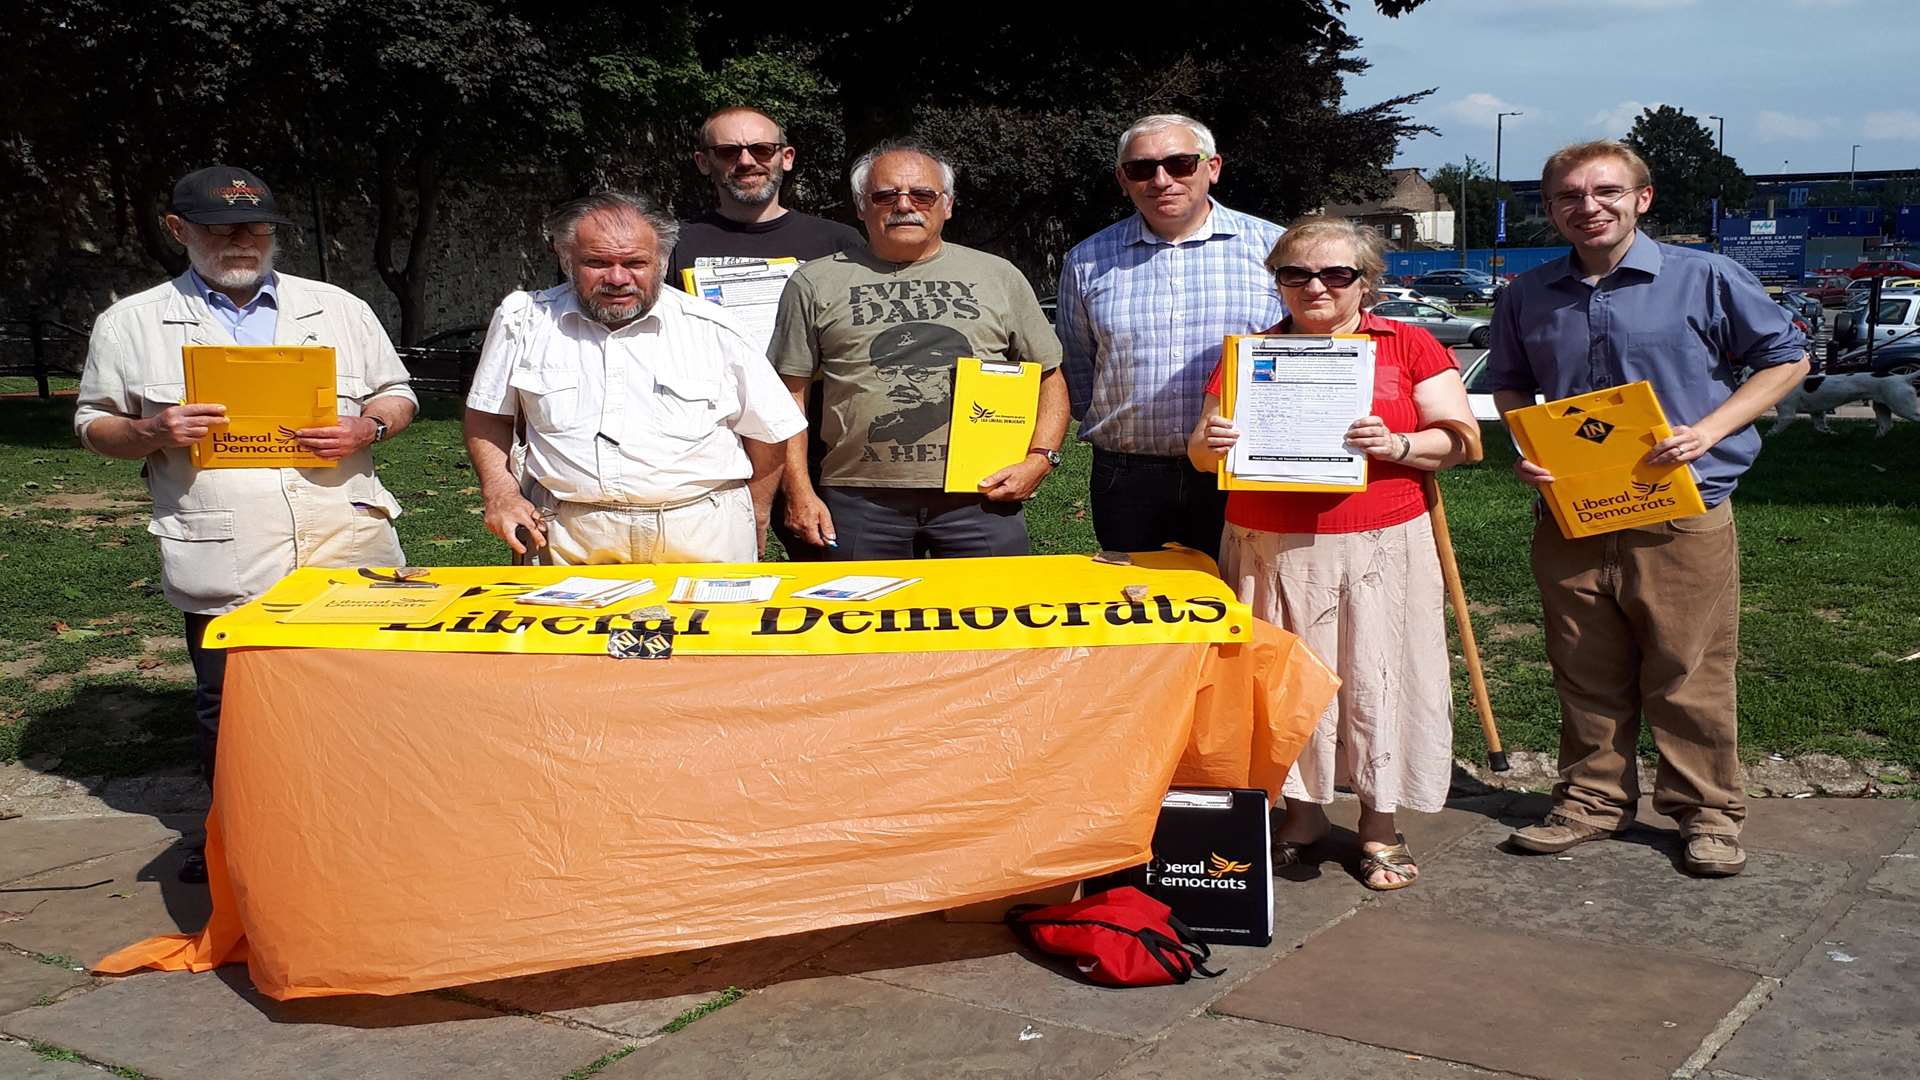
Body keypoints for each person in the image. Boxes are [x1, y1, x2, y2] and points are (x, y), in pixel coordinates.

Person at [73, 165, 417, 882]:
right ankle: (239, 836)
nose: (241, 241)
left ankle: (370, 822)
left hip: (341, 530)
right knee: (231, 701)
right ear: (178, 230)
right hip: (226, 544)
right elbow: (93, 423)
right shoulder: (131, 323)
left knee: (362, 685)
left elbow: (396, 393)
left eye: (256, 227)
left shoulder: (338, 307)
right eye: (221, 227)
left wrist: (368, 429)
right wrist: (152, 431)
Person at [1486, 140, 1808, 878]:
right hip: (1572, 513)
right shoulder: (1526, 294)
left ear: (1642, 198)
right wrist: (1526, 440)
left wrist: (1711, 430)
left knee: (1687, 667)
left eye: (1605, 191)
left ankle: (1707, 814)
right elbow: (1508, 381)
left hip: (1682, 510)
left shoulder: (1707, 278)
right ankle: (1592, 800)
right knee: (1583, 665)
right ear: (1551, 208)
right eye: (1569, 196)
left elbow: (1787, 357)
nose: (1588, 206)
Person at [1188, 217, 1479, 890]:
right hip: (1268, 547)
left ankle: (1380, 825)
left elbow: (1462, 439)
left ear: (1367, 283)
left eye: (1335, 274)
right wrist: (1217, 441)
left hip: (1377, 542)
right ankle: (1304, 816)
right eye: (1296, 274)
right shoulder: (1249, 352)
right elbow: (1199, 451)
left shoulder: (1408, 343)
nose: (1315, 285)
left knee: (1377, 677)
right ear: (1279, 283)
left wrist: (1398, 445)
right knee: (1287, 686)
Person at [464, 191, 805, 565]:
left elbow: (769, 431)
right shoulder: (523, 320)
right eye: (596, 262)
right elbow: (488, 416)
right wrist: (500, 492)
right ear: (566, 259)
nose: (617, 278)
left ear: (661, 261)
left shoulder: (715, 328)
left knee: (712, 626)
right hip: (566, 536)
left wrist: (754, 513)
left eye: (635, 263)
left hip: (703, 536)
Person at [769, 142, 1068, 559]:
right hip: (859, 499)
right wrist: (799, 490)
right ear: (861, 207)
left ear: (946, 205)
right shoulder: (814, 282)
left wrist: (1040, 459)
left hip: (980, 495)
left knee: (990, 617)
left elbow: (1048, 376)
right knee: (861, 620)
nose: (904, 206)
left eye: (922, 195)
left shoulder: (998, 276)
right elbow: (789, 395)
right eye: (885, 195)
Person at [1059, 114, 1286, 562]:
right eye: (1142, 169)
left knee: (1244, 599)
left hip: (1239, 468)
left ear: (1212, 167)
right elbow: (1078, 365)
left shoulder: (1274, 250)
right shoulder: (1087, 261)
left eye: (1180, 164)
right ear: (1123, 179)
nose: (1161, 180)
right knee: (1136, 609)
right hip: (1127, 476)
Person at [666, 105, 862, 560]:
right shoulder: (675, 243)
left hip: (820, 444)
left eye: (761, 148)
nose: (747, 160)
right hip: (715, 443)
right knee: (716, 579)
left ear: (786, 157)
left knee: (837, 577)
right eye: (728, 151)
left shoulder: (838, 242)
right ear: (704, 162)